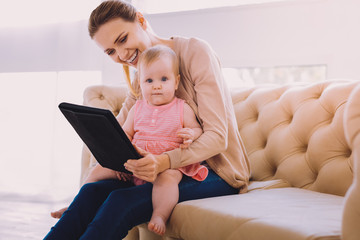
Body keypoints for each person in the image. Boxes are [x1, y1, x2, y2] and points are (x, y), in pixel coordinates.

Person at [45, 0, 250, 239]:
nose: (121, 54)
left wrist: (164, 162)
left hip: (214, 171)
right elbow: (119, 132)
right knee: (91, 195)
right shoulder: (142, 78)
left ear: (141, 21)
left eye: (122, 39)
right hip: (160, 170)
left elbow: (217, 138)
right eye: (110, 51)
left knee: (121, 201)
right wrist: (85, 194)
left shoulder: (195, 52)